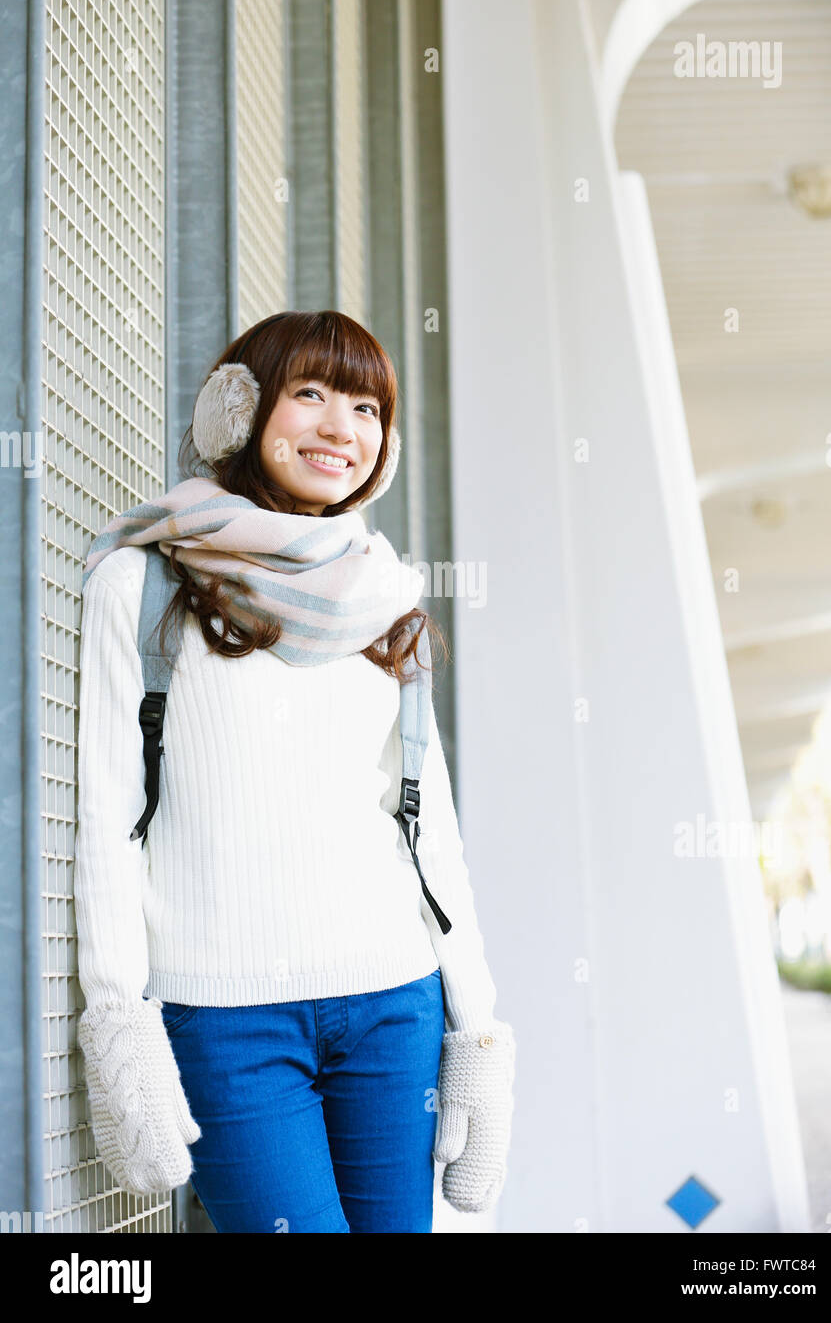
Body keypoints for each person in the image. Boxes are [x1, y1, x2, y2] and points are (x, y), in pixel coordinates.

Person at [73, 309, 516, 1234]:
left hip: (394, 1005)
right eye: (309, 394)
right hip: (226, 1023)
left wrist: (477, 1028)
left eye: (366, 408)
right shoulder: (143, 585)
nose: (340, 428)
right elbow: (110, 821)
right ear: (238, 411)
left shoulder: (386, 600)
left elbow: (428, 829)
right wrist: (119, 1019)